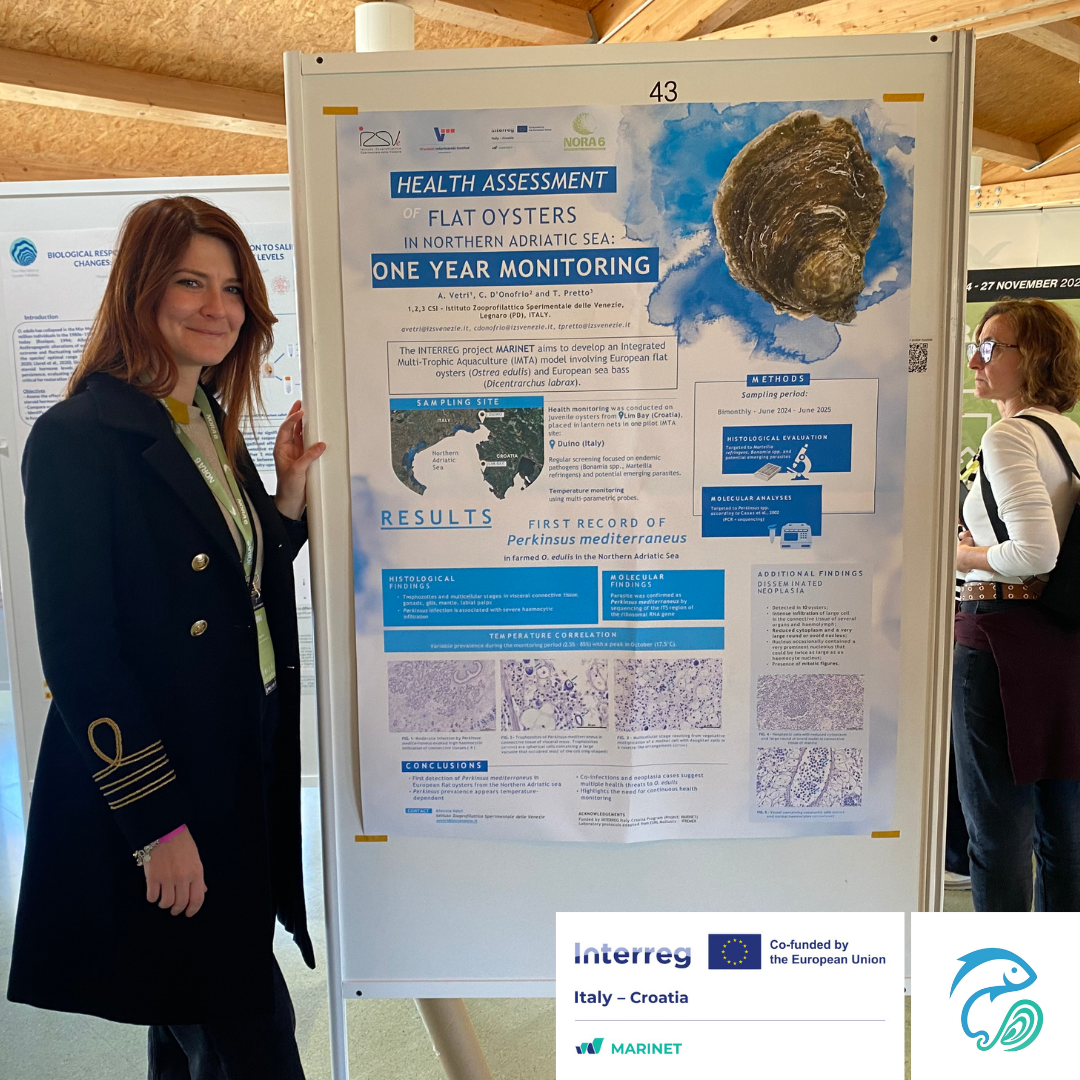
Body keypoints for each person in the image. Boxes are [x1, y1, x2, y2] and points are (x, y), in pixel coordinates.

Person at [6, 196, 326, 1078]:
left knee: (188, 1009)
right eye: (191, 282)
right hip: (170, 777)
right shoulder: (78, 438)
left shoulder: (207, 423)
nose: (217, 308)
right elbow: (80, 654)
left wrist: (285, 502)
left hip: (239, 756)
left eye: (233, 288)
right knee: (243, 1026)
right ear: (140, 289)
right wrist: (155, 824)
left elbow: (227, 584)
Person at [954, 296, 1080, 912]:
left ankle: (1002, 968)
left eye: (990, 347)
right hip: (1063, 640)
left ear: (1034, 357)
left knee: (997, 829)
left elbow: (1034, 552)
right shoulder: (1070, 435)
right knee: (1066, 829)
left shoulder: (1007, 434)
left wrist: (961, 556)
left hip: (1001, 641)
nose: (974, 361)